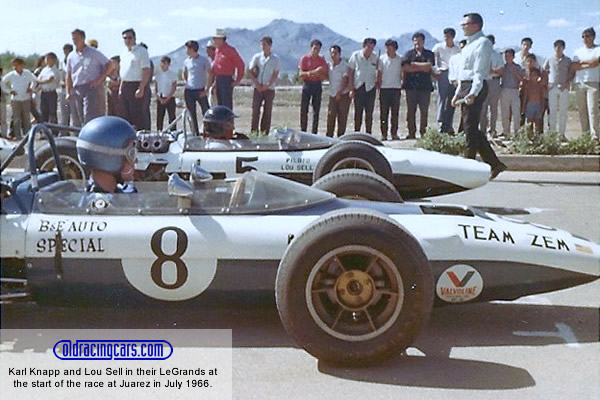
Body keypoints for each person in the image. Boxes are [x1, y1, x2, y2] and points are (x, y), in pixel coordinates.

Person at [451, 13, 506, 179]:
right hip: (465, 85)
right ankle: (494, 163)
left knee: (469, 128)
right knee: (471, 127)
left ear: (475, 25)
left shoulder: (483, 43)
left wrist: (473, 92)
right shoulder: (469, 45)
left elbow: (479, 72)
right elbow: (463, 72)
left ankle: (468, 168)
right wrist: (457, 93)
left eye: (465, 24)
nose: (462, 27)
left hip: (476, 86)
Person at [66, 28, 114, 126]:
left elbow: (110, 65)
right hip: (77, 88)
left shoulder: (93, 53)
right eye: (73, 39)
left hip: (91, 87)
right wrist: (68, 91)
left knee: (90, 115)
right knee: (81, 117)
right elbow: (69, 74)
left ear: (83, 38)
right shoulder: (71, 56)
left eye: (77, 39)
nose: (75, 41)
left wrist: (100, 80)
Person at [77, 116, 137, 193]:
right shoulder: (91, 203)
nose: (136, 161)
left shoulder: (127, 192)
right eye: (131, 154)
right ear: (110, 158)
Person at [402, 32, 435, 139]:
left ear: (423, 41)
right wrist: (422, 67)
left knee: (424, 111)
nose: (417, 42)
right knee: (411, 111)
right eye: (415, 40)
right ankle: (411, 132)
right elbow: (406, 68)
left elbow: (429, 66)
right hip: (411, 87)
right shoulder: (408, 54)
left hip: (425, 87)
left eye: (419, 40)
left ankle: (423, 132)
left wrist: (413, 65)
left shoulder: (429, 54)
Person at [119, 28, 152, 130]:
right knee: (126, 114)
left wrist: (141, 87)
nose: (127, 40)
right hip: (125, 85)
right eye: (125, 38)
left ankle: (143, 138)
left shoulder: (141, 51)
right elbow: (123, 71)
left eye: (129, 37)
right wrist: (121, 87)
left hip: (137, 85)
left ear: (134, 38)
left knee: (139, 115)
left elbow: (146, 70)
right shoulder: (124, 53)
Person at [571, 27, 600, 139]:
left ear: (593, 37)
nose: (585, 39)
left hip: (593, 82)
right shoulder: (578, 51)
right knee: (582, 110)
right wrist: (588, 64)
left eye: (587, 36)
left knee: (593, 109)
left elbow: (596, 62)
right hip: (579, 83)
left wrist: (582, 63)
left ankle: (595, 136)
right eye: (583, 36)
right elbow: (574, 66)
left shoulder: (597, 49)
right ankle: (585, 134)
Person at [248, 36, 280, 134]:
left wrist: (267, 85)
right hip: (258, 88)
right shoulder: (257, 57)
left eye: (264, 44)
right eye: (261, 44)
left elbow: (275, 74)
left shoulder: (275, 59)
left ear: (270, 45)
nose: (262, 46)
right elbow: (250, 70)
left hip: (269, 88)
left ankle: (264, 132)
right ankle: (254, 132)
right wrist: (257, 84)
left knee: (267, 111)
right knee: (255, 110)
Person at [432, 28, 460, 134]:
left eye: (448, 36)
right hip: (443, 73)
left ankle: (449, 125)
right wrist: (436, 71)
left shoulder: (457, 49)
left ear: (452, 36)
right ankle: (440, 125)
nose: (446, 38)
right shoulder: (438, 47)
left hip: (454, 74)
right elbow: (433, 60)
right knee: (442, 99)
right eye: (445, 36)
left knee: (452, 100)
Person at [348, 38, 379, 134]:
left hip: (370, 87)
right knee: (358, 112)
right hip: (359, 87)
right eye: (368, 47)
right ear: (364, 46)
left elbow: (378, 70)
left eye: (372, 47)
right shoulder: (356, 55)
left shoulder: (375, 57)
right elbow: (350, 72)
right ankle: (357, 132)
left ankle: (368, 133)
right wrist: (351, 89)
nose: (370, 49)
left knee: (369, 113)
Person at [209, 29, 245, 110]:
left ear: (222, 39)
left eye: (216, 39)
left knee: (226, 104)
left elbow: (240, 64)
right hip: (218, 79)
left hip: (226, 79)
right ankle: (221, 122)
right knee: (219, 104)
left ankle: (228, 122)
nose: (214, 41)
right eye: (214, 39)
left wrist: (238, 80)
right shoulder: (217, 51)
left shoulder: (230, 50)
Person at [1, 58, 36, 139]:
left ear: (22, 65)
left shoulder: (27, 73)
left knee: (26, 117)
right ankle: (18, 135)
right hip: (16, 99)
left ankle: (28, 135)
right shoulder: (11, 74)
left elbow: (34, 80)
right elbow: (2, 82)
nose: (15, 66)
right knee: (16, 118)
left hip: (25, 98)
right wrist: (9, 91)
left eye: (16, 64)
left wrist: (31, 88)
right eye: (14, 65)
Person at [298, 39, 328, 133]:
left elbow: (325, 75)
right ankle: (303, 130)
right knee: (304, 109)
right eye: (315, 48)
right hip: (307, 84)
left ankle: (314, 132)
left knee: (316, 110)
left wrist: (319, 75)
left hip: (317, 85)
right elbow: (300, 74)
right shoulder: (305, 59)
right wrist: (312, 72)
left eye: (318, 49)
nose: (316, 50)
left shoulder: (322, 60)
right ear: (311, 48)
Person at [543, 40, 572, 135]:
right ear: (554, 48)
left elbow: (572, 72)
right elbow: (544, 71)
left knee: (563, 111)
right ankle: (552, 133)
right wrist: (547, 83)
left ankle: (562, 134)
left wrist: (568, 82)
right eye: (556, 47)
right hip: (552, 87)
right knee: (552, 111)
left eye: (560, 47)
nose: (558, 49)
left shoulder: (568, 60)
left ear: (564, 48)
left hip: (564, 88)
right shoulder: (549, 59)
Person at [183, 40, 211, 134]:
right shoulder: (187, 61)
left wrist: (206, 89)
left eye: (187, 49)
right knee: (191, 114)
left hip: (200, 90)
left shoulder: (203, 60)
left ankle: (209, 131)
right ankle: (195, 133)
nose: (186, 51)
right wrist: (187, 82)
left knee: (206, 112)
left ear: (192, 49)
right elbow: (185, 73)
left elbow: (210, 74)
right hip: (189, 90)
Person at [377, 39, 402, 140]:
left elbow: (402, 72)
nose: (388, 49)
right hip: (384, 89)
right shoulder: (382, 59)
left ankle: (394, 133)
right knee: (384, 113)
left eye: (390, 47)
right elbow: (379, 72)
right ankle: (384, 134)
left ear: (394, 48)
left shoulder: (400, 59)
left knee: (395, 113)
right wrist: (378, 84)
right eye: (386, 47)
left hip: (396, 88)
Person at [479, 34, 503, 136]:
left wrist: (491, 70)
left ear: (493, 43)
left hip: (494, 82)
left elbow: (501, 70)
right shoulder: (480, 55)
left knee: (493, 108)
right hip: (483, 81)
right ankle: (482, 130)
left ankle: (492, 130)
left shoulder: (497, 55)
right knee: (482, 107)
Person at [326, 45, 351, 137]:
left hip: (343, 94)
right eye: (331, 53)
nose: (333, 55)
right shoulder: (329, 65)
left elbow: (345, 80)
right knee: (331, 116)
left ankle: (341, 137)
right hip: (332, 94)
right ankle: (329, 136)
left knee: (342, 117)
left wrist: (339, 92)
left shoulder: (344, 65)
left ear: (339, 54)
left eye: (335, 53)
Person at [499, 49, 525, 138]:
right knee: (505, 112)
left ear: (513, 57)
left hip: (514, 90)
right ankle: (506, 131)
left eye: (509, 56)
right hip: (504, 90)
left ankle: (517, 132)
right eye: (506, 56)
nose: (507, 58)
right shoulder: (503, 67)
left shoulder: (517, 67)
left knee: (516, 112)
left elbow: (522, 79)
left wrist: (516, 74)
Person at [155, 56, 178, 131]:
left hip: (170, 98)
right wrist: (159, 98)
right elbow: (156, 88)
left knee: (172, 117)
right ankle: (159, 132)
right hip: (160, 98)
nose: (162, 65)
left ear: (168, 64)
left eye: (164, 63)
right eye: (161, 63)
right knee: (159, 118)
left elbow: (174, 87)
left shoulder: (172, 74)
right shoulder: (157, 75)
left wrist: (168, 97)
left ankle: (173, 133)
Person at [36, 52, 61, 123]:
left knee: (52, 113)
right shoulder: (44, 70)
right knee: (44, 112)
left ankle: (54, 132)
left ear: (53, 60)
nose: (46, 60)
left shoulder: (55, 70)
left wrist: (40, 82)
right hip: (44, 93)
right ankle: (44, 131)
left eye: (48, 58)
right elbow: (38, 79)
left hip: (51, 93)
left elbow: (50, 80)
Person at [521, 68, 546, 133]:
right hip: (530, 105)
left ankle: (537, 136)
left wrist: (542, 107)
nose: (533, 77)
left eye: (535, 75)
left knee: (537, 122)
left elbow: (542, 97)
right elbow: (525, 97)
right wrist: (523, 107)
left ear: (538, 76)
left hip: (538, 105)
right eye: (531, 75)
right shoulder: (528, 86)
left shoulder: (540, 86)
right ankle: (529, 136)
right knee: (529, 122)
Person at [58, 43, 73, 128]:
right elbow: (60, 76)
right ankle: (64, 131)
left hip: (73, 90)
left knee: (75, 114)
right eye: (65, 50)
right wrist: (61, 82)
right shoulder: (61, 62)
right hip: (63, 91)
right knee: (64, 113)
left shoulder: (74, 60)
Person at [205, 40, 218, 107]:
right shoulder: (212, 62)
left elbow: (218, 75)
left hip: (215, 89)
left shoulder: (217, 62)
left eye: (208, 49)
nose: (207, 51)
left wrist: (214, 86)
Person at [0, 67, 7, 137]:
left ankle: (4, 134)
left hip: (2, 101)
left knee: (3, 119)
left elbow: (5, 90)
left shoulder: (2, 80)